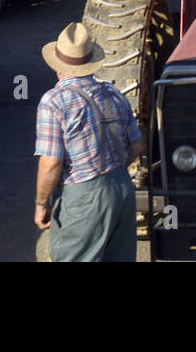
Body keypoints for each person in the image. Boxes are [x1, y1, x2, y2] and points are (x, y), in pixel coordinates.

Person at [34, 22, 145, 262]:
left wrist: (41, 203)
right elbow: (137, 145)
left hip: (83, 197)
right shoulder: (114, 93)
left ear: (57, 66)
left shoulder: (54, 101)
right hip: (121, 190)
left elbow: (52, 162)